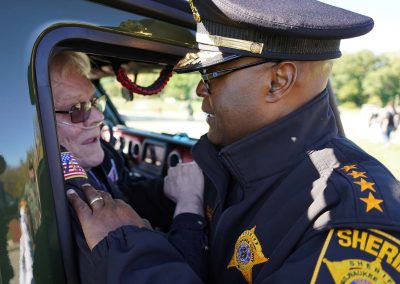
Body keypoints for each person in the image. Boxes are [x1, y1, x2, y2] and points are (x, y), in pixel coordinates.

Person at [68, 0, 400, 282]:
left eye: (211, 74)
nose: (200, 89)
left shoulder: (347, 218)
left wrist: (128, 248)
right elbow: (139, 199)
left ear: (277, 81)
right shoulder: (227, 164)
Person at [50, 52, 207, 282]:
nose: (98, 116)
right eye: (76, 109)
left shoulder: (101, 158)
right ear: (40, 120)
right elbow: (167, 274)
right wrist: (189, 206)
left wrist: (167, 188)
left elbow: (123, 191)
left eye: (93, 102)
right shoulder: (71, 202)